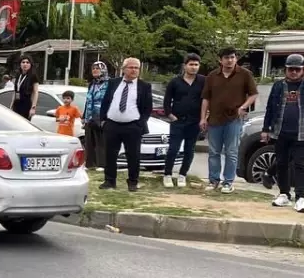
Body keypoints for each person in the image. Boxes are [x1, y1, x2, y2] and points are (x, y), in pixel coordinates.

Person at [262, 54, 304, 213]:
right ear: (286, 70)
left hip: (303, 132)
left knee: (301, 165)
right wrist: (265, 129)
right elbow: (270, 108)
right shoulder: (278, 86)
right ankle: (284, 193)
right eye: (291, 69)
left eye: (298, 69)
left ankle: (301, 198)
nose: (294, 72)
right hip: (281, 131)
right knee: (282, 163)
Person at [200, 47, 258, 193]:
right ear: (220, 60)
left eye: (232, 57)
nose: (230, 60)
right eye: (226, 58)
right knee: (214, 152)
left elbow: (253, 94)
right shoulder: (212, 76)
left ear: (236, 58)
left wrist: (243, 106)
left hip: (234, 119)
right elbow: (206, 98)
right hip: (214, 118)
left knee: (231, 152)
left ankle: (228, 182)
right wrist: (203, 118)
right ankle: (213, 180)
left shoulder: (245, 74)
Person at [99, 57, 153, 191]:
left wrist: (140, 124)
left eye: (136, 68)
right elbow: (106, 102)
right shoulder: (113, 83)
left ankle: (133, 182)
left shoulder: (144, 86)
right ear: (124, 69)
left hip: (133, 126)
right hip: (112, 124)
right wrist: (103, 120)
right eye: (131, 67)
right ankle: (109, 181)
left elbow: (147, 108)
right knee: (110, 154)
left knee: (133, 155)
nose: (134, 70)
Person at [160, 53, 206, 188]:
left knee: (189, 150)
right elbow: (167, 101)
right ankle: (167, 174)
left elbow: (207, 99)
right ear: (185, 66)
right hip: (178, 121)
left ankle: (182, 175)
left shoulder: (203, 81)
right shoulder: (175, 82)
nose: (193, 67)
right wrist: (170, 116)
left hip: (194, 121)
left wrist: (204, 117)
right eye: (191, 64)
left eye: (196, 65)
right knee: (173, 149)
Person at [83, 61, 109, 171]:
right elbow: (88, 100)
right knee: (89, 140)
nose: (94, 70)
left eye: (97, 68)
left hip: (101, 116)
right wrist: (84, 116)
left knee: (101, 141)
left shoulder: (108, 83)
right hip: (90, 115)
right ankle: (90, 163)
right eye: (93, 68)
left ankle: (102, 164)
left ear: (103, 70)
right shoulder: (92, 84)